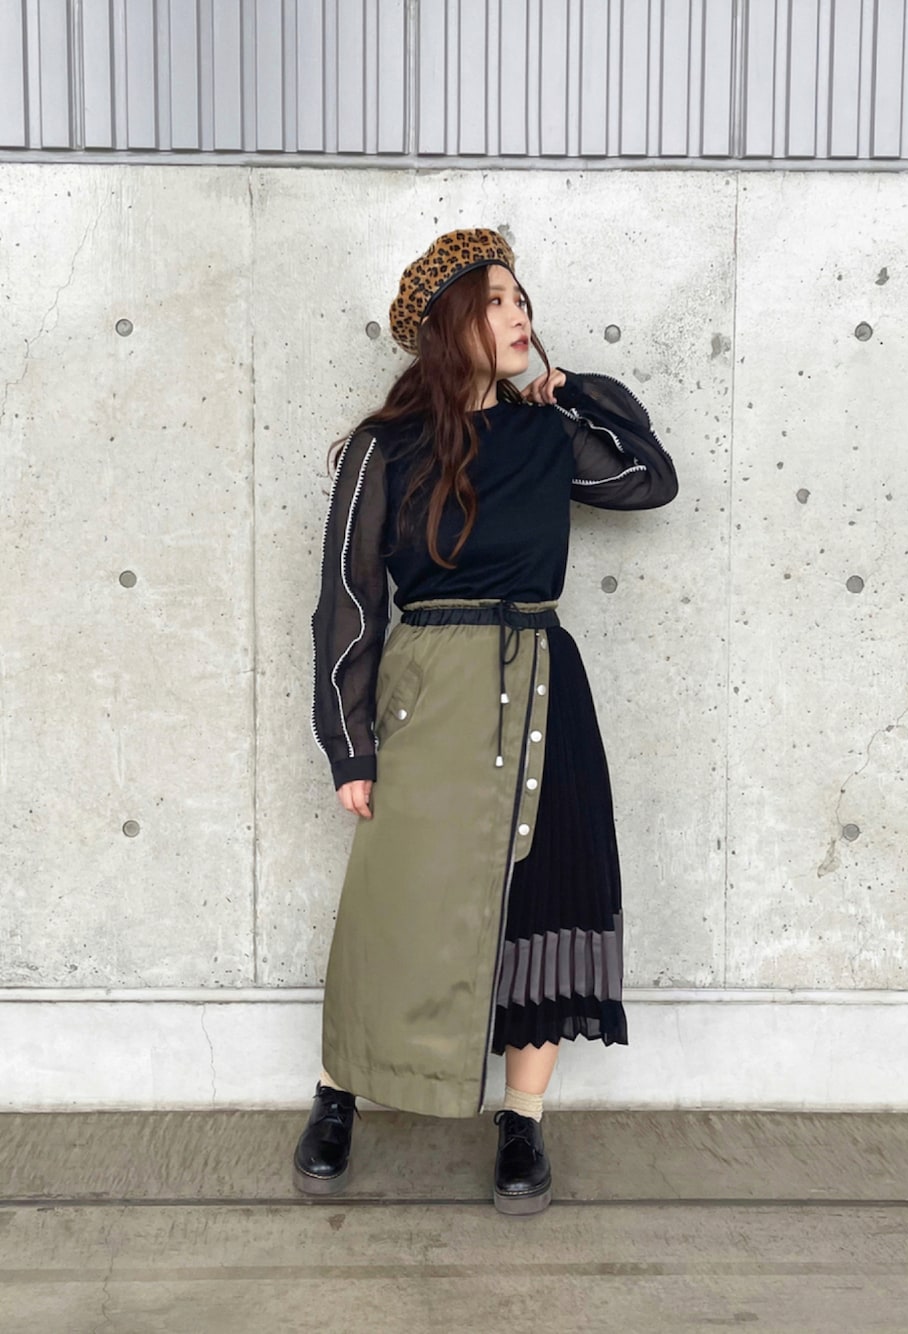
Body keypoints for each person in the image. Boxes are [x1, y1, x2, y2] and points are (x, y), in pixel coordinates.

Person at [293, 228, 678, 1215]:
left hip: (546, 683)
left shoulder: (547, 437)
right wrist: (350, 743)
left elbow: (649, 480)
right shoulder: (384, 447)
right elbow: (348, 600)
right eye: (497, 300)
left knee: (546, 896)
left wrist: (576, 391)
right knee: (399, 902)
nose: (520, 315)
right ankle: (339, 1092)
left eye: (522, 300)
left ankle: (523, 1121)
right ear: (450, 322)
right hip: (431, 690)